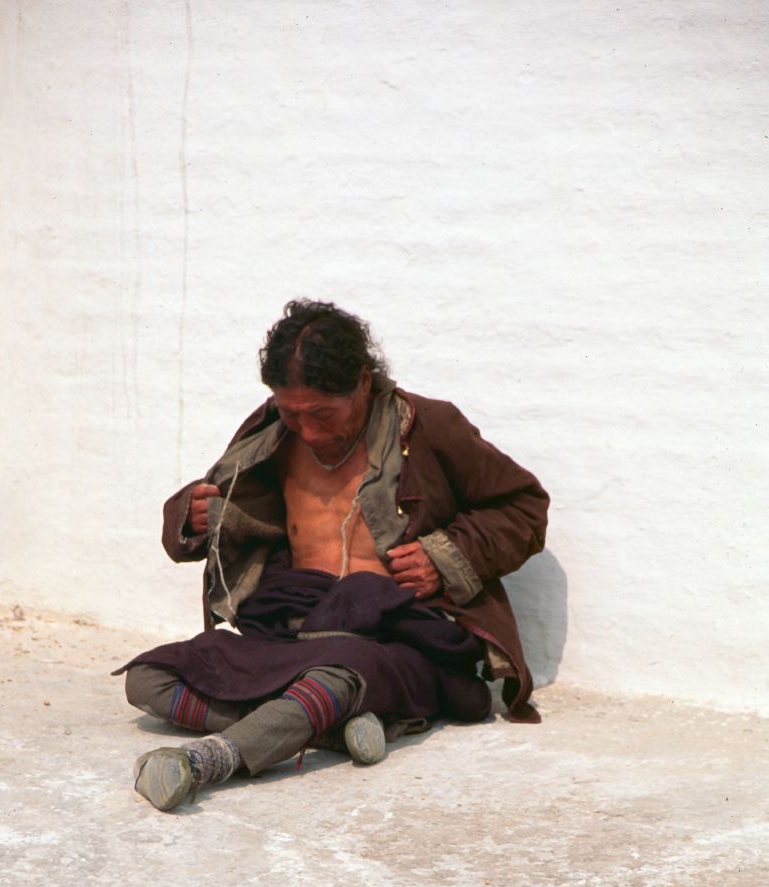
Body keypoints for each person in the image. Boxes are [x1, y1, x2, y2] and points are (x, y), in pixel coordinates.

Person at [116, 299, 549, 811]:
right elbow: (206, 512)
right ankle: (329, 727)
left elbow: (524, 506)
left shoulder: (429, 426)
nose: (310, 431)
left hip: (399, 637)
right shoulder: (269, 434)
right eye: (293, 412)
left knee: (338, 676)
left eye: (323, 413)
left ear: (363, 382)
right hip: (292, 628)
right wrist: (192, 516)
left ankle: (207, 761)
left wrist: (447, 556)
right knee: (151, 676)